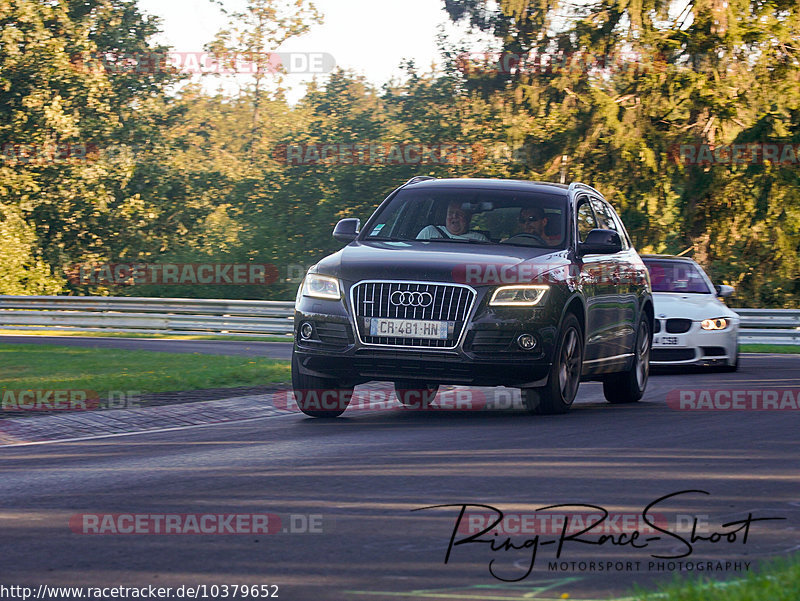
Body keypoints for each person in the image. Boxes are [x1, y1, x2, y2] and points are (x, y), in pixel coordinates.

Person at [416, 200, 489, 241]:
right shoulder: (429, 232)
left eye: (460, 213)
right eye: (451, 213)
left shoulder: (479, 239)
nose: (454, 216)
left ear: (469, 218)